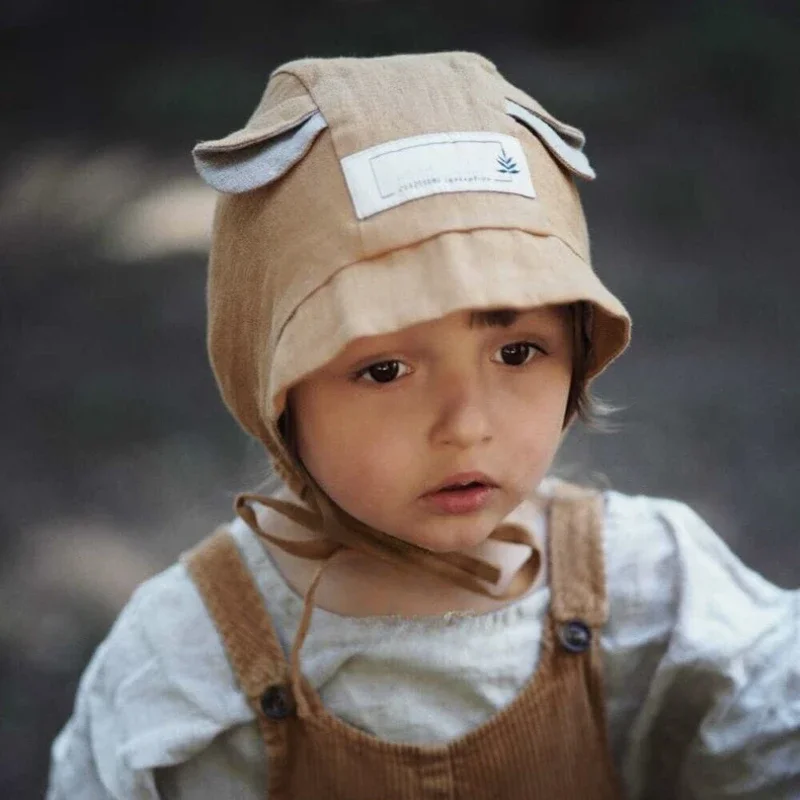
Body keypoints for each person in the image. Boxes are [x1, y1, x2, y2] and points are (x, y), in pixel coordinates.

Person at [47, 51, 798, 799]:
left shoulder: (652, 588)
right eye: (384, 370)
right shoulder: (187, 655)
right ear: (274, 389)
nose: (466, 426)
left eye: (516, 351)